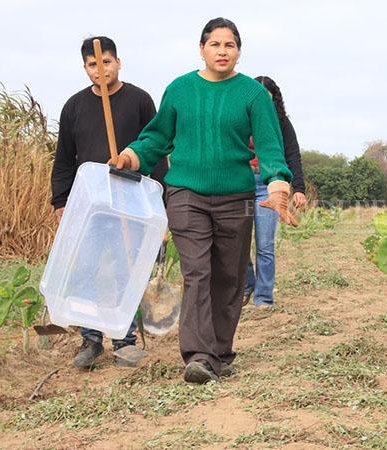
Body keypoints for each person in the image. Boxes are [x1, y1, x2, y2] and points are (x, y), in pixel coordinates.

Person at [115, 18, 296, 384]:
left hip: (235, 196)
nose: (222, 51)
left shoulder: (252, 95)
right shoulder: (180, 90)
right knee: (197, 272)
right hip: (186, 193)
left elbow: (270, 148)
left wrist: (279, 185)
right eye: (215, 44)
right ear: (202, 49)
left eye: (230, 45)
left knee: (228, 277)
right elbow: (156, 138)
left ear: (238, 52)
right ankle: (197, 356)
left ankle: (220, 353)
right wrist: (131, 157)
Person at [50, 36, 168, 370]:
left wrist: (161, 208)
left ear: (118, 62)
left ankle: (124, 342)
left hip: (132, 203)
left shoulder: (140, 100)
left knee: (125, 271)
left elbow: (157, 153)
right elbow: (64, 159)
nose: (100, 70)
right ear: (85, 67)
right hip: (91, 205)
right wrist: (61, 202)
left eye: (106, 62)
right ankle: (90, 340)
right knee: (85, 269)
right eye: (92, 64)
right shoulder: (74, 107)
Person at [244, 75, 306, 308]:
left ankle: (263, 298)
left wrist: (298, 188)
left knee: (265, 245)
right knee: (236, 244)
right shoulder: (239, 118)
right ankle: (248, 282)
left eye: (267, 99)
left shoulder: (281, 123)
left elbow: (292, 155)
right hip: (239, 182)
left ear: (274, 100)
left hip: (269, 185)